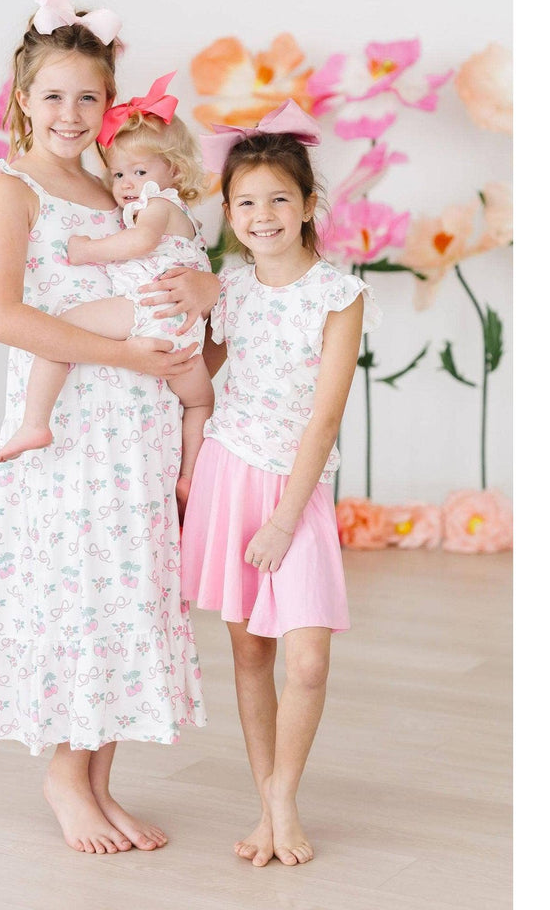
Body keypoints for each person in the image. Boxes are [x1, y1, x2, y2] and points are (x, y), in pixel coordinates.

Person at [0, 0, 214, 856]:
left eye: (89, 97)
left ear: (110, 105)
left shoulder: (120, 185)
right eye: (54, 97)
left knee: (124, 591)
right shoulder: (15, 190)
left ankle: (101, 780)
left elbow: (176, 262)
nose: (72, 114)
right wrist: (117, 356)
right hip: (71, 422)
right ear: (22, 101)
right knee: (78, 591)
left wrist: (200, 298)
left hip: (136, 419)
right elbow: (0, 315)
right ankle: (63, 778)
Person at [180, 100, 383, 868]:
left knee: (306, 660)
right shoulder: (227, 289)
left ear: (306, 208)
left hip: (294, 494)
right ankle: (268, 807)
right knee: (250, 656)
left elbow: (324, 420)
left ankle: (283, 797)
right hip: (230, 477)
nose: (261, 215)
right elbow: (198, 375)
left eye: (278, 200)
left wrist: (284, 519)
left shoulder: (340, 294)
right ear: (228, 212)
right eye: (245, 202)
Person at [0, 72, 214, 519]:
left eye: (139, 171)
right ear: (24, 100)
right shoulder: (165, 209)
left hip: (145, 313)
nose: (127, 182)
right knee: (201, 400)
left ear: (173, 169)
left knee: (60, 329)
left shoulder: (153, 207)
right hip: (172, 336)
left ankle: (35, 422)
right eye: (118, 173)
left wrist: (87, 250)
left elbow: (139, 244)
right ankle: (191, 473)